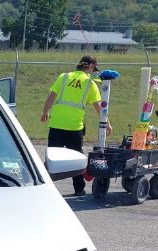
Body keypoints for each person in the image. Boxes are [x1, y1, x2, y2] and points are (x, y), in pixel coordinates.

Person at [40, 54, 112, 195]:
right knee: (76, 159)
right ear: (90, 66)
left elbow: (51, 97)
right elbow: (99, 107)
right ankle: (79, 189)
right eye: (94, 68)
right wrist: (107, 123)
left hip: (57, 124)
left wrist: (45, 112)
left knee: (51, 159)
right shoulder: (90, 83)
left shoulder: (64, 77)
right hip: (74, 127)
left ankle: (43, 186)